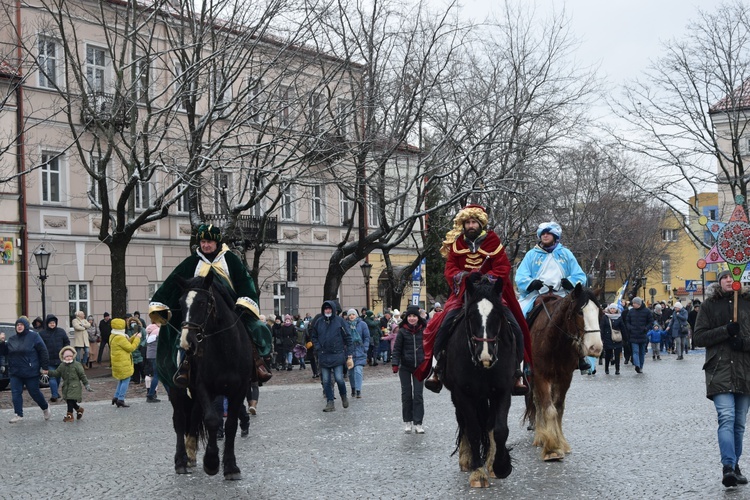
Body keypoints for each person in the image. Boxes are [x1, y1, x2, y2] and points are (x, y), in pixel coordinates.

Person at [422, 204, 530, 396]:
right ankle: (436, 370)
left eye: (474, 222)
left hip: (492, 295)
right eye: (468, 222)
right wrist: (464, 276)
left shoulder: (493, 242)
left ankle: (517, 373)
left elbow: (503, 268)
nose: (471, 225)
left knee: (516, 327)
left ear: (480, 224)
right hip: (465, 295)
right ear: (463, 225)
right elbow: (450, 270)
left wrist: (486, 279)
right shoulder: (457, 245)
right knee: (442, 326)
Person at [148, 224, 273, 388]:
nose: (205, 245)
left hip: (231, 309)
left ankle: (258, 364)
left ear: (217, 243)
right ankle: (184, 368)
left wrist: (244, 303)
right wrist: (160, 303)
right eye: (203, 242)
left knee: (257, 328)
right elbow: (172, 282)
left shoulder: (230, 259)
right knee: (182, 337)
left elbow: (245, 282)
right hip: (199, 314)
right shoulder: (192, 262)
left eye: (209, 242)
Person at [693, 270, 750, 488]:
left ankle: (735, 466)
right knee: (726, 417)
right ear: (719, 282)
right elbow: (698, 337)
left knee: (739, 423)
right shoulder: (709, 306)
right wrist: (725, 331)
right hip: (719, 370)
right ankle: (727, 466)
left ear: (739, 281)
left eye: (732, 277)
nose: (728, 280)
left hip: (745, 371)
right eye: (724, 277)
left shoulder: (747, 303)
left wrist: (743, 343)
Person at [515, 221, 589, 372]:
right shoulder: (531, 255)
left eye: (548, 233)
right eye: (543, 233)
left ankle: (581, 355)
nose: (545, 235)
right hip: (537, 295)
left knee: (581, 318)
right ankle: (521, 358)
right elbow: (521, 276)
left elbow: (579, 275)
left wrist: (571, 282)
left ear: (555, 236)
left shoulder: (566, 254)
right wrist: (531, 283)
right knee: (518, 316)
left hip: (562, 294)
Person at [0, 318, 52, 423]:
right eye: (17, 325)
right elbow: (5, 352)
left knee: (34, 392)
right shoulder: (12, 339)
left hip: (30, 371)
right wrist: (1, 342)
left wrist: (45, 367)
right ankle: (18, 414)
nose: (19, 326)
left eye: (21, 325)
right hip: (15, 371)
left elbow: (43, 351)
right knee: (15, 393)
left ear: (25, 326)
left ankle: (45, 407)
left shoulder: (34, 337)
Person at [311, 300, 352, 412]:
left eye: (329, 308)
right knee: (326, 381)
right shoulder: (319, 322)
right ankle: (330, 402)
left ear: (333, 310)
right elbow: (313, 336)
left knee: (339, 378)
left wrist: (349, 353)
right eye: (326, 309)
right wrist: (318, 347)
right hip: (323, 355)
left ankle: (343, 396)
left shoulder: (340, 321)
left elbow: (348, 337)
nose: (327, 310)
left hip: (337, 354)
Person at [392, 305, 426, 434]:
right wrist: (395, 363)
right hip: (405, 367)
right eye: (410, 316)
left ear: (418, 318)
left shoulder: (424, 330)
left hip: (419, 367)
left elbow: (428, 347)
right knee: (406, 395)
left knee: (418, 395)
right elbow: (396, 349)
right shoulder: (402, 331)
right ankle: (407, 421)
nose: (412, 318)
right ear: (407, 318)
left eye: (414, 316)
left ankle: (418, 422)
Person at [47, 346, 93, 422]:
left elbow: (82, 375)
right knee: (71, 401)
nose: (69, 358)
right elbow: (56, 373)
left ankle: (69, 415)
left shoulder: (77, 365)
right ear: (63, 357)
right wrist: (48, 372)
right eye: (67, 356)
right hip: (66, 387)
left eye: (70, 356)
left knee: (70, 400)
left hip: (75, 386)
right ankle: (79, 409)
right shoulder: (62, 365)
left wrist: (86, 385)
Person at [109, 318, 141, 408]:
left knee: (122, 380)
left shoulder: (113, 335)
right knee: (126, 380)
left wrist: (133, 337)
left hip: (117, 363)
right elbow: (130, 348)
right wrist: (137, 339)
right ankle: (121, 399)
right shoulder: (120, 337)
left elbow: (125, 344)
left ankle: (116, 397)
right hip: (123, 363)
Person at [39, 314, 70, 402]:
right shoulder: (42, 333)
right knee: (52, 377)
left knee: (58, 377)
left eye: (53, 322)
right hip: (48, 360)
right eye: (50, 323)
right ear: (47, 323)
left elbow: (67, 342)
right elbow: (40, 347)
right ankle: (54, 395)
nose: (52, 324)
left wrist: (65, 352)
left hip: (60, 359)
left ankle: (55, 392)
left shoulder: (61, 331)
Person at [345, 308, 370, 398]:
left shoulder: (362, 324)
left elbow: (367, 337)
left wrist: (365, 348)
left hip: (360, 351)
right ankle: (353, 388)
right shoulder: (345, 325)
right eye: (350, 315)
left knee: (358, 370)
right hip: (349, 352)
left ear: (356, 315)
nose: (351, 316)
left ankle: (358, 390)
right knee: (351, 372)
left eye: (353, 314)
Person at [626, 297, 653, 374]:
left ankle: (640, 366)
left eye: (634, 303)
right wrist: (630, 328)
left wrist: (646, 328)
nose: (633, 304)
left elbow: (651, 322)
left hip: (642, 334)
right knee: (635, 351)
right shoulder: (631, 312)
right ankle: (637, 365)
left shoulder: (647, 311)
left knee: (642, 352)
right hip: (633, 335)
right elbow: (627, 321)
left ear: (639, 304)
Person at [601, 303, 623, 375]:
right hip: (608, 338)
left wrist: (626, 338)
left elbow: (623, 328)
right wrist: (602, 338)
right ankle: (606, 368)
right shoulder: (605, 317)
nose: (612, 310)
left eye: (614, 308)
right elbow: (602, 328)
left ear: (616, 309)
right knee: (608, 354)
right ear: (609, 309)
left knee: (617, 355)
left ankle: (617, 369)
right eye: (611, 308)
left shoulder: (619, 317)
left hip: (617, 338)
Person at [144, 323, 161, 402]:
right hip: (155, 355)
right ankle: (150, 395)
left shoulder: (149, 330)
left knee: (158, 375)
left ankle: (169, 393)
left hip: (149, 355)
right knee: (156, 375)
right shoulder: (158, 331)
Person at [128, 317, 145, 384]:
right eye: (131, 323)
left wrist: (142, 345)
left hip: (140, 350)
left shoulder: (142, 330)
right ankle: (136, 379)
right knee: (135, 367)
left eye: (134, 322)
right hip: (133, 351)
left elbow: (145, 338)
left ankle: (143, 377)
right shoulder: (129, 331)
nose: (133, 324)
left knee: (141, 366)